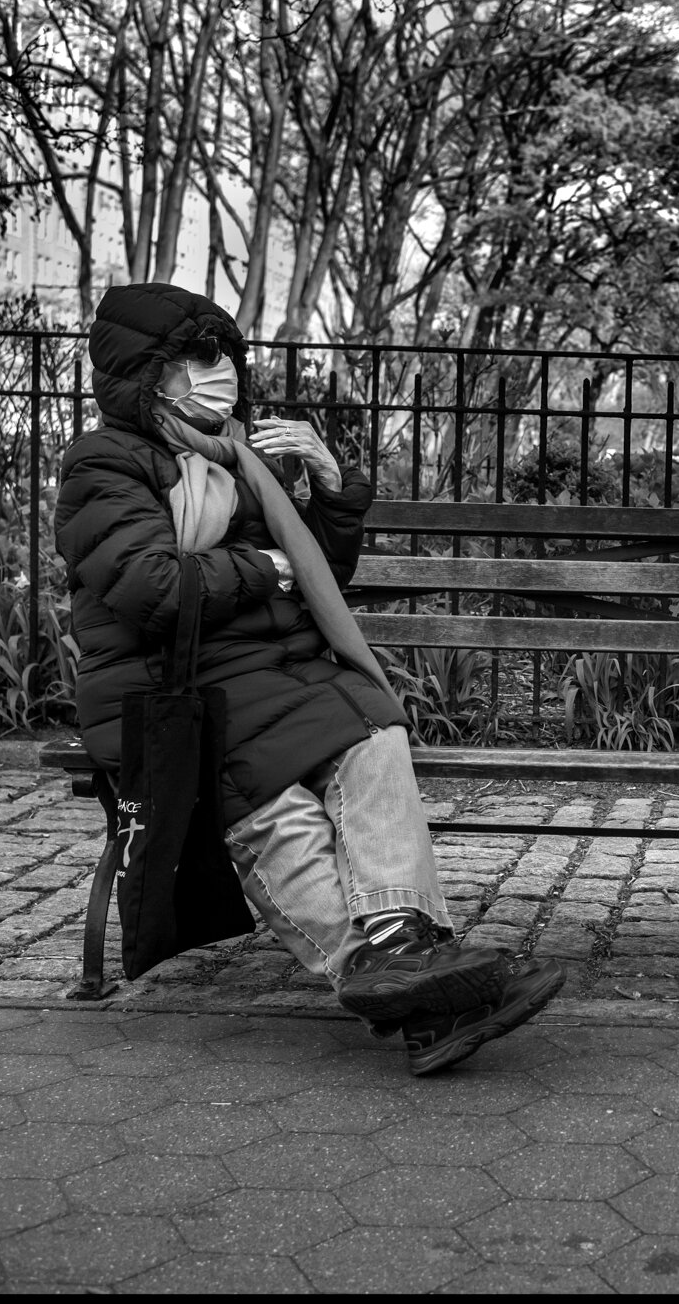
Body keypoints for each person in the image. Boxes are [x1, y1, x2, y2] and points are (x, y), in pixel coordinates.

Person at [55, 282, 565, 1076]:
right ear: (147, 374)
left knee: (373, 725)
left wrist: (329, 492)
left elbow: (316, 577)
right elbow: (153, 588)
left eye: (222, 354)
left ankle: (401, 953)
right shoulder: (104, 464)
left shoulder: (237, 457)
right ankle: (407, 976)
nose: (216, 370)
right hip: (173, 689)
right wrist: (262, 565)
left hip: (271, 672)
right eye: (194, 356)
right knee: (276, 801)